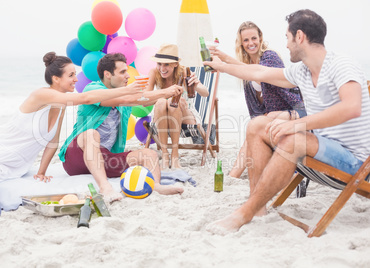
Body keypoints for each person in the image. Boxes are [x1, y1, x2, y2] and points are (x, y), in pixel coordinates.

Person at [203, 9, 370, 234]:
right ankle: (259, 208)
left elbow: (351, 107)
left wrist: (297, 124)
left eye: (287, 38)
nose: (287, 45)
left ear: (299, 36)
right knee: (257, 125)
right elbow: (259, 72)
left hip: (355, 162)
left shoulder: (341, 65)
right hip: (322, 150)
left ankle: (244, 213)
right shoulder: (301, 71)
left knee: (293, 140)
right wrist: (222, 66)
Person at [0, 52, 140, 181]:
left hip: (16, 161)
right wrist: (126, 89)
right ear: (56, 79)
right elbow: (85, 98)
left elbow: (53, 143)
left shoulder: (62, 104)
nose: (76, 79)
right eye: (71, 75)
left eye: (75, 74)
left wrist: (41, 172)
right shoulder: (41, 95)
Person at [58, 53, 184, 203]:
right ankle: (105, 187)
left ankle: (154, 185)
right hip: (77, 156)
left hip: (106, 159)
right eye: (122, 72)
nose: (127, 76)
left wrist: (170, 92)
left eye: (127, 71)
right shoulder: (92, 88)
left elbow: (139, 100)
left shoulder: (125, 99)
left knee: (149, 154)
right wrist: (164, 92)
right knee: (91, 134)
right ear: (107, 74)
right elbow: (124, 99)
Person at [209, 21, 305, 179]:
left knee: (262, 123)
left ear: (260, 38)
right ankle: (233, 176)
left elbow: (257, 74)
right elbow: (248, 71)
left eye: (254, 38)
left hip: (294, 113)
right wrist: (223, 60)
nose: (250, 43)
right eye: (246, 40)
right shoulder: (247, 66)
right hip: (272, 118)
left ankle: (233, 176)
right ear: (241, 43)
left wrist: (225, 61)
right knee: (255, 128)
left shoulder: (269, 56)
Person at [146, 44, 209, 169]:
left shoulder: (184, 72)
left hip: (186, 114)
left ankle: (174, 155)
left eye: (166, 64)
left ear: (175, 64)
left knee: (173, 102)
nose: (162, 68)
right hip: (162, 115)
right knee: (161, 102)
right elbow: (145, 100)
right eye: (159, 64)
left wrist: (196, 83)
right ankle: (165, 154)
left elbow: (205, 93)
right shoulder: (154, 72)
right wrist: (164, 94)